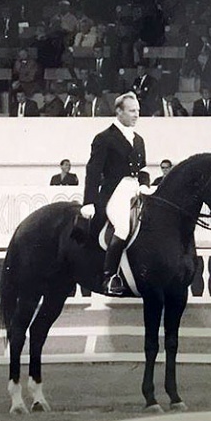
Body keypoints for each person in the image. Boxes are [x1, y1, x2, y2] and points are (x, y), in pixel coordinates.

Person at [80, 92, 150, 296]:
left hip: (135, 189)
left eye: (138, 111)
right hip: (114, 193)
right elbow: (93, 171)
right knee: (122, 226)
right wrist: (89, 201)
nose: (136, 115)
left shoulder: (139, 140)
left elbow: (143, 169)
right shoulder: (104, 138)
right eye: (131, 111)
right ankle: (110, 277)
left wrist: (144, 185)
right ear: (119, 112)